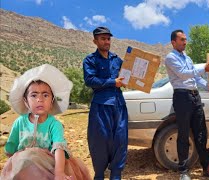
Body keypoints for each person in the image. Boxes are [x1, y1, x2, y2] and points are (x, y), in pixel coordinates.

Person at [1, 64, 91, 180]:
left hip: (50, 167)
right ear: (25, 100)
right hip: (25, 167)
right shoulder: (20, 122)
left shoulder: (54, 125)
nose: (40, 99)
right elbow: (11, 145)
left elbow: (59, 148)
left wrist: (59, 173)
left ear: (52, 100)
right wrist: (12, 158)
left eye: (45, 95)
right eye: (34, 95)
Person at [164, 29, 209, 180]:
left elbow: (195, 78)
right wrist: (204, 68)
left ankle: (207, 168)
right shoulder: (170, 57)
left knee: (201, 133)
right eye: (181, 40)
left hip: (195, 97)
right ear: (173, 42)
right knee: (184, 134)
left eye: (185, 39)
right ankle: (183, 171)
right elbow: (184, 73)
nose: (185, 42)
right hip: (182, 97)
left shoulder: (188, 57)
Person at [83, 26, 128, 180]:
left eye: (108, 38)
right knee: (100, 141)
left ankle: (116, 175)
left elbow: (127, 75)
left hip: (119, 105)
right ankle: (99, 174)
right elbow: (89, 80)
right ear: (95, 41)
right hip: (101, 105)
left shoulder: (117, 59)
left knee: (120, 140)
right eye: (103, 38)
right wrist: (112, 82)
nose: (106, 41)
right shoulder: (90, 60)